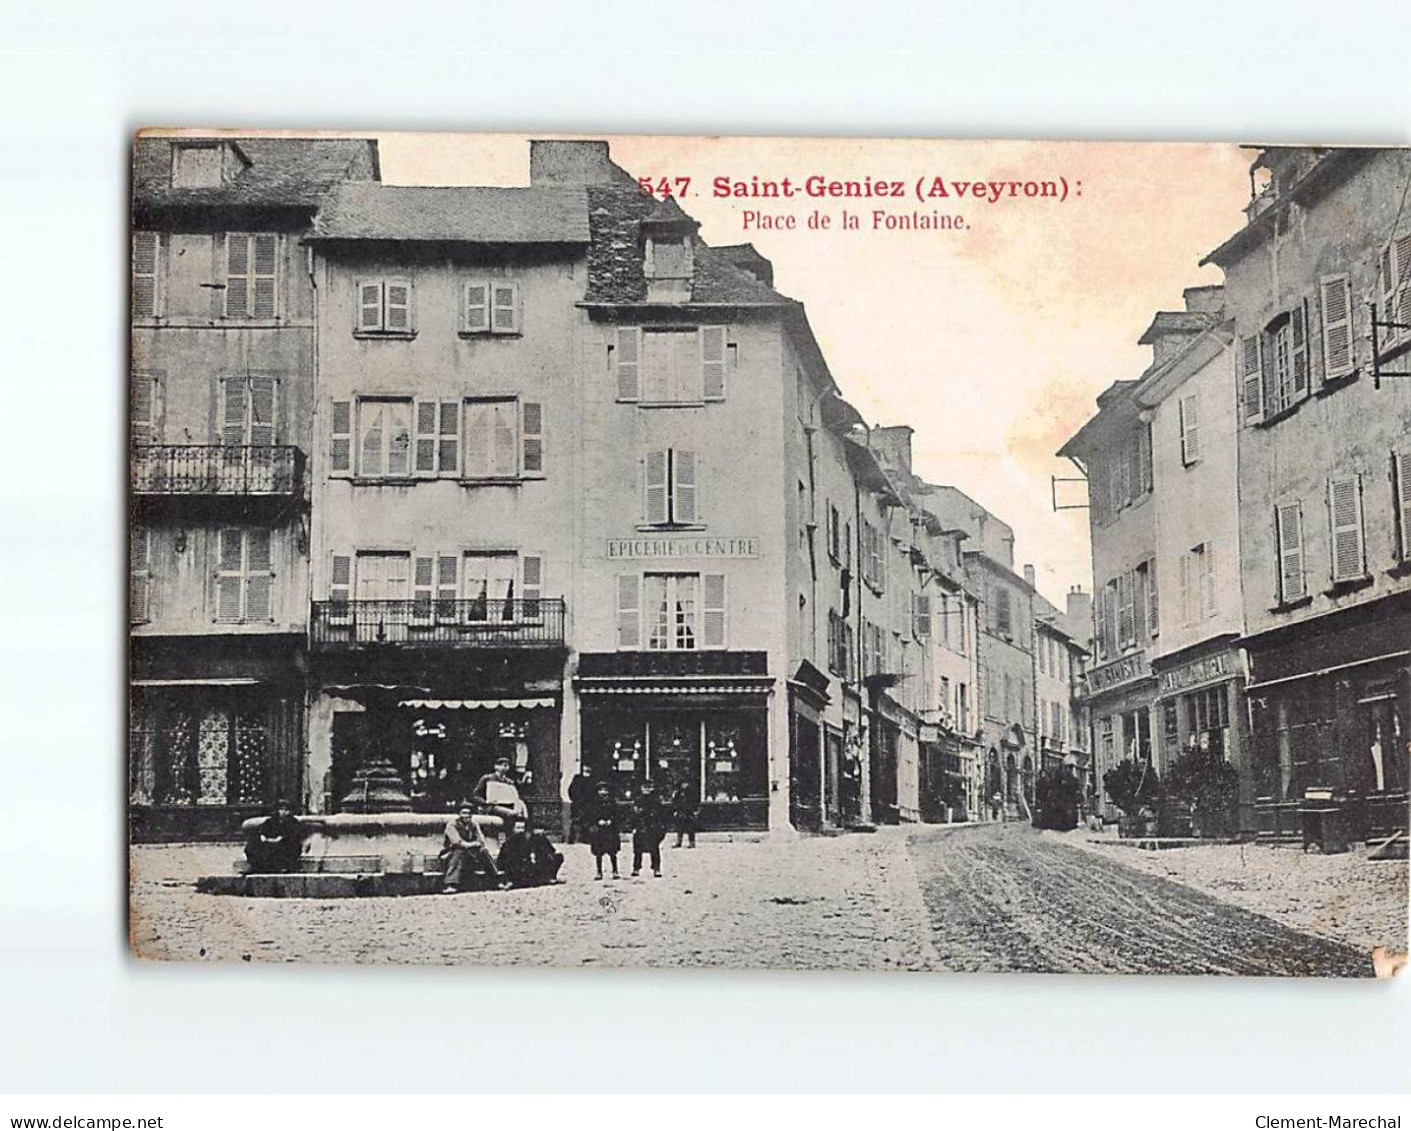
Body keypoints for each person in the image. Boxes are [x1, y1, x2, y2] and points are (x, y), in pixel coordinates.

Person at [439, 802, 503, 893]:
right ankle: (451, 884)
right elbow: (457, 842)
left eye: (469, 813)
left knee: (483, 851)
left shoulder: (473, 824)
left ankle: (496, 879)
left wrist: (477, 845)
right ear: (459, 814)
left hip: (469, 853)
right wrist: (473, 844)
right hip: (450, 853)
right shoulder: (452, 825)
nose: (467, 816)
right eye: (464, 813)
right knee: (459, 852)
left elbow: (481, 840)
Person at [498, 821, 565, 888]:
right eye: (518, 828)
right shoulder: (511, 842)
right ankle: (512, 881)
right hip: (521, 870)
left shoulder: (539, 838)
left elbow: (552, 851)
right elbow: (503, 860)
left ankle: (550, 877)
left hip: (535, 869)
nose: (520, 831)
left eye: (522, 828)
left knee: (558, 856)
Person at [244, 798, 304, 874]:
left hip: (284, 847)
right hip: (269, 843)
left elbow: (288, 838)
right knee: (253, 846)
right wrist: (262, 836)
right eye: (281, 809)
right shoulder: (272, 821)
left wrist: (271, 840)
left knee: (278, 849)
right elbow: (261, 829)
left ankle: (280, 867)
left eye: (286, 810)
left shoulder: (294, 823)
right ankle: (256, 866)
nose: (284, 812)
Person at [473, 756, 529, 833]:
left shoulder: (509, 782)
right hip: (492, 806)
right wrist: (485, 802)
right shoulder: (487, 778)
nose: (505, 768)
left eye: (507, 766)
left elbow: (514, 797)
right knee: (510, 813)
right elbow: (476, 794)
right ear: (496, 767)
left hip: (507, 805)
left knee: (520, 813)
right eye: (503, 765)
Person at [632, 779, 668, 878]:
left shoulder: (656, 800)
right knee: (637, 849)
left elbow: (661, 814)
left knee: (654, 848)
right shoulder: (638, 799)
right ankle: (636, 868)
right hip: (641, 826)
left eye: (648, 787)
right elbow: (634, 815)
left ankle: (656, 868)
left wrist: (661, 827)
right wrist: (633, 826)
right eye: (644, 787)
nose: (646, 790)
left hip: (653, 827)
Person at [586, 782, 621, 880]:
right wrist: (597, 821)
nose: (603, 792)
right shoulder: (593, 803)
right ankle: (599, 872)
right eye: (601, 790)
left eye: (605, 790)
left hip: (610, 830)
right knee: (598, 852)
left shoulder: (612, 802)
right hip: (599, 831)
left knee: (612, 852)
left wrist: (611, 821)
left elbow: (617, 815)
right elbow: (590, 815)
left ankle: (615, 870)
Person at [566, 768, 594, 844]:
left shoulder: (592, 780)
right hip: (578, 804)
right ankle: (572, 838)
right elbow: (571, 790)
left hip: (587, 805)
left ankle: (584, 838)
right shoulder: (577, 779)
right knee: (575, 822)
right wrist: (575, 799)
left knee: (586, 822)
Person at [670, 780, 699, 849]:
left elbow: (695, 802)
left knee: (690, 828)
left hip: (689, 812)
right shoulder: (678, 793)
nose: (684, 785)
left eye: (686, 783)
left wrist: (695, 811)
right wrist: (675, 810)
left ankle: (692, 843)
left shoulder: (691, 793)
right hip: (680, 811)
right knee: (679, 828)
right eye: (683, 784)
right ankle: (679, 842)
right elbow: (675, 802)